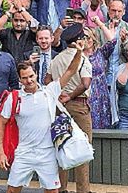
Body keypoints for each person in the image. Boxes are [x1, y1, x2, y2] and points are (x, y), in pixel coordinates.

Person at [0, 46, 84, 193]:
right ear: (19, 79)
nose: (29, 80)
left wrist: (79, 52)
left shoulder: (50, 91)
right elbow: (0, 121)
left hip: (47, 153)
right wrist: (0, 152)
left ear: (36, 74)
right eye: (24, 78)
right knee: (12, 190)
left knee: (52, 191)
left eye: (31, 76)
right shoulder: (13, 97)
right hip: (24, 152)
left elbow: (71, 71)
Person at [45, 23, 93, 193]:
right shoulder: (83, 59)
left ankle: (61, 188)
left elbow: (47, 81)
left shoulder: (56, 59)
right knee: (82, 149)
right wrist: (71, 95)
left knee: (61, 147)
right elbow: (85, 83)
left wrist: (60, 95)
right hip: (78, 105)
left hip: (58, 107)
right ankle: (83, 190)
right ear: (79, 39)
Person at [82, 26, 116, 129]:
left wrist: (99, 23)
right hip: (85, 91)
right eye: (83, 37)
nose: (86, 40)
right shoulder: (77, 56)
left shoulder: (100, 52)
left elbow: (112, 40)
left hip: (100, 93)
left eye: (88, 37)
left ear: (93, 38)